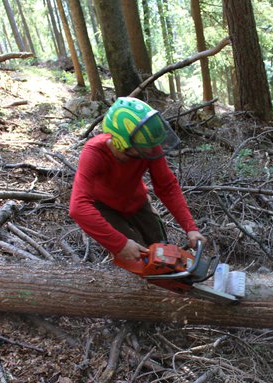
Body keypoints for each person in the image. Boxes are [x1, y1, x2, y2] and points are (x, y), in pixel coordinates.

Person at [69, 97, 206, 261]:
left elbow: (167, 186)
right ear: (119, 143)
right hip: (104, 206)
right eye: (135, 154)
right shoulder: (94, 153)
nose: (143, 156)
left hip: (135, 200)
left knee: (161, 250)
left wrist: (190, 227)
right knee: (138, 258)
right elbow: (78, 207)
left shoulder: (147, 145)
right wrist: (120, 244)